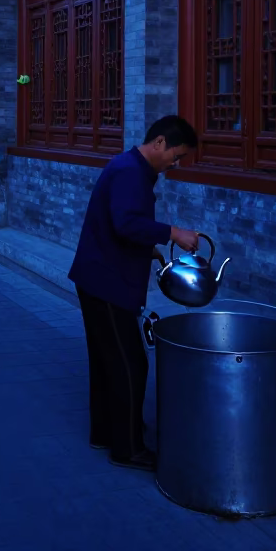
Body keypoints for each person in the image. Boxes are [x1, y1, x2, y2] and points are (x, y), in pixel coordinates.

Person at [68, 115, 201, 473]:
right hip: (106, 281)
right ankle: (127, 448)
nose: (174, 164)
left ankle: (106, 433)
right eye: (175, 156)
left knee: (106, 360)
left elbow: (122, 225)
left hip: (99, 275)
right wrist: (172, 232)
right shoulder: (130, 171)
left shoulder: (131, 167)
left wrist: (150, 249)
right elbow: (125, 222)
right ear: (159, 142)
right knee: (131, 363)